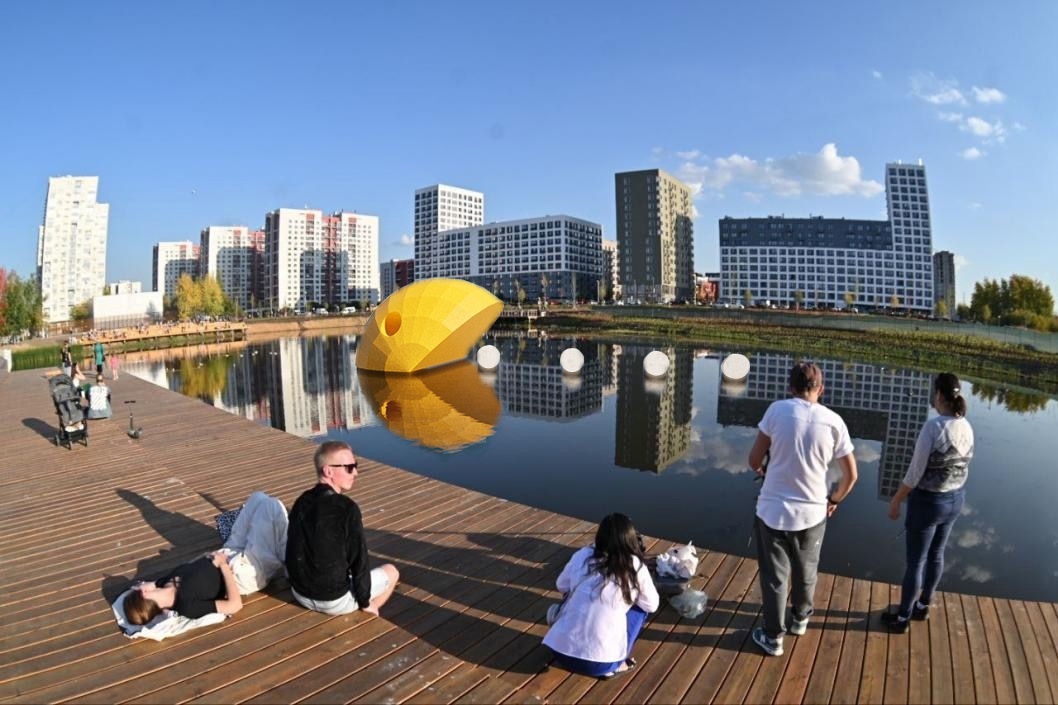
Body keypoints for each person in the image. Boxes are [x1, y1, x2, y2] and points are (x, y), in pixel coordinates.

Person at [746, 361, 858, 656]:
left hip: (772, 512)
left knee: (775, 578)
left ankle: (773, 637)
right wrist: (834, 501)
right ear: (821, 389)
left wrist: (765, 469)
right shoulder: (834, 421)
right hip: (813, 513)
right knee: (807, 570)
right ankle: (800, 620)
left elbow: (754, 460)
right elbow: (851, 476)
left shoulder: (776, 411)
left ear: (790, 388)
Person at [881, 373, 974, 633]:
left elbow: (914, 473)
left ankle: (902, 618)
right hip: (955, 499)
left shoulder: (933, 427)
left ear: (939, 395)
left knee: (916, 562)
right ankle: (922, 606)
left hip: (928, 503)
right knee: (936, 554)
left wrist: (896, 500)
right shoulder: (966, 426)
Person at [285, 441, 399, 616]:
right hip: (333, 601)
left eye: (355, 466)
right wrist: (364, 601)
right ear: (328, 471)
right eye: (349, 468)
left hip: (299, 593)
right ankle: (369, 614)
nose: (356, 473)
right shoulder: (346, 508)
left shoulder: (302, 501)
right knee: (391, 572)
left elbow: (293, 547)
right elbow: (359, 560)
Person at [542, 513, 659, 678]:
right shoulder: (635, 565)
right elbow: (652, 605)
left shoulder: (583, 554)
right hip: (601, 665)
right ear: (630, 539)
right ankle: (617, 665)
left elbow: (561, 585)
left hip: (559, 653)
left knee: (571, 594)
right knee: (641, 609)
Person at [123, 550, 243, 625]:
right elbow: (235, 605)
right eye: (138, 585)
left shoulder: (163, 583)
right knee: (255, 521)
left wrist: (207, 555)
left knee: (247, 516)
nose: (140, 584)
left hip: (222, 554)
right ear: (144, 593)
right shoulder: (187, 606)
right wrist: (223, 565)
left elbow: (189, 567)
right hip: (237, 570)